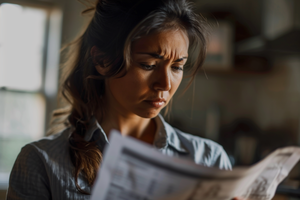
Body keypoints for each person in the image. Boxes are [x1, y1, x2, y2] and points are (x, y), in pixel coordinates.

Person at [6, 0, 232, 199]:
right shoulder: (40, 163)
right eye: (148, 65)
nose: (165, 84)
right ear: (102, 60)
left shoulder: (209, 160)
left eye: (177, 67)